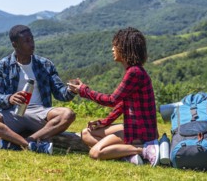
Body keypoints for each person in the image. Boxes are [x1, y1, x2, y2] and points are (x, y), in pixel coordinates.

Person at [0, 24, 76, 154]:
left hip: (39, 112)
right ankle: (30, 145)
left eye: (32, 39)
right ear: (15, 44)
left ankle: (25, 142)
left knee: (68, 114)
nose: (32, 44)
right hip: (12, 112)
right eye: (26, 41)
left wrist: (72, 90)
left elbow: (60, 94)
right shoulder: (2, 65)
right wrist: (10, 99)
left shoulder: (45, 64)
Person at [67, 27, 159, 166]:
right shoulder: (134, 71)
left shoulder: (134, 72)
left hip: (141, 132)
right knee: (86, 134)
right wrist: (104, 122)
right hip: (135, 127)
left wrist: (84, 90)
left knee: (95, 153)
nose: (112, 49)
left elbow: (111, 100)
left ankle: (144, 149)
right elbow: (122, 104)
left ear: (125, 48)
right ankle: (127, 154)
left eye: (115, 45)